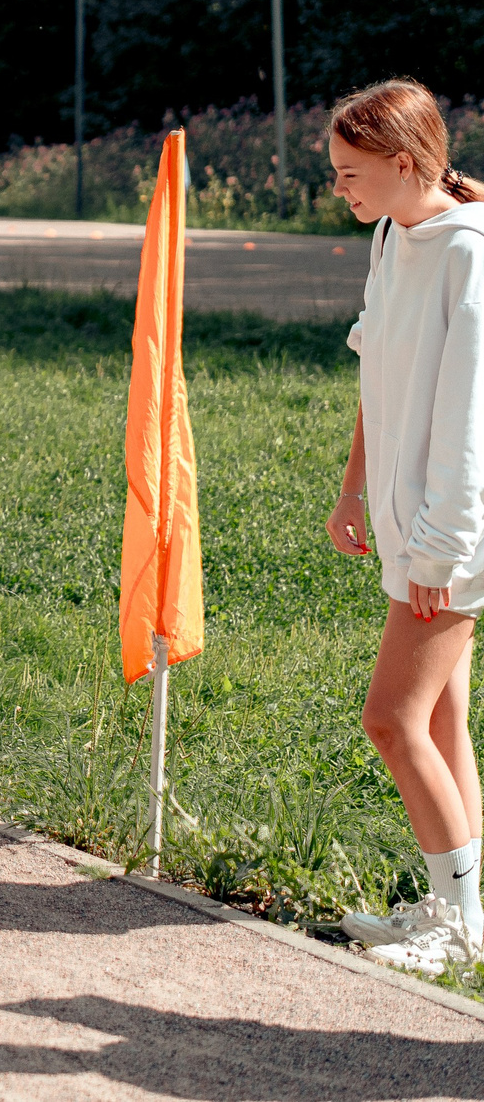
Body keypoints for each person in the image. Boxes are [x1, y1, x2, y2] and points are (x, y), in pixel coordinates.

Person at [326, 78, 484, 976]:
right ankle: (454, 909)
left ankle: (460, 930)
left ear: (403, 163)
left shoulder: (469, 256)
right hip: (409, 525)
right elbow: (373, 369)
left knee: (390, 719)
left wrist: (437, 547)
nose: (340, 189)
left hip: (454, 533)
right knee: (445, 713)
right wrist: (354, 491)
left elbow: (470, 422)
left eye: (351, 173)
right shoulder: (393, 235)